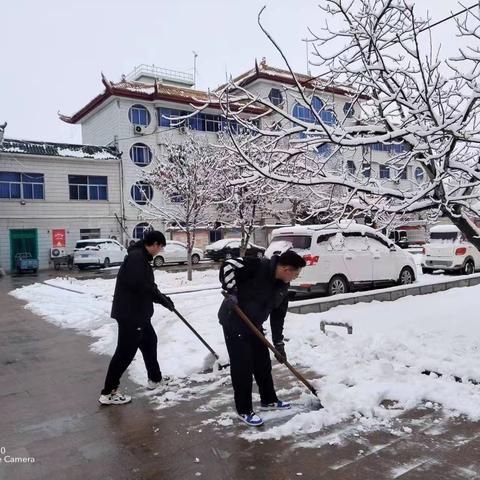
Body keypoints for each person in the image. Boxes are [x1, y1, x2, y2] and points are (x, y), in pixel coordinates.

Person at [218, 249, 306, 426]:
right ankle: (244, 410)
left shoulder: (282, 287)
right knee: (242, 367)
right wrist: (231, 291)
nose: (296, 277)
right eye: (296, 273)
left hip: (255, 326)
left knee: (262, 364)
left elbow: (278, 317)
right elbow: (228, 265)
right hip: (235, 321)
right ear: (286, 269)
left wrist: (278, 343)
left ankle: (268, 400)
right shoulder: (258, 265)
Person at [99, 230, 175, 405]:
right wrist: (162, 300)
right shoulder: (136, 259)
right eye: (160, 247)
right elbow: (142, 286)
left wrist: (164, 299)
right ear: (155, 244)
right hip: (131, 315)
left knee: (150, 342)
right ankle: (108, 392)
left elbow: (147, 285)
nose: (160, 251)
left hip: (138, 314)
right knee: (124, 353)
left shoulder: (140, 257)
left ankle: (155, 379)